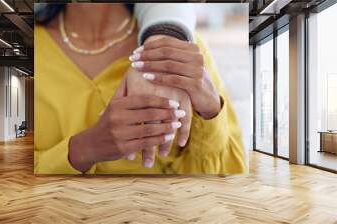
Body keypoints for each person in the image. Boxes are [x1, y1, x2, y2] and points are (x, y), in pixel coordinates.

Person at [34, 3, 246, 174]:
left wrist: (210, 110)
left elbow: (230, 177)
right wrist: (84, 149)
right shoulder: (31, 46)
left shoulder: (182, 49)